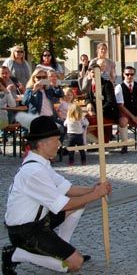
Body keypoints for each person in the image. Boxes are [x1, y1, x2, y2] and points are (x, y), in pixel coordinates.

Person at [2, 115, 112, 274]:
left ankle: (62, 248)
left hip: (39, 222)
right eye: (56, 140)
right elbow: (64, 205)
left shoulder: (41, 164)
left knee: (80, 204)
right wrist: (96, 195)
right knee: (75, 263)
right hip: (24, 232)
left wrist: (92, 189)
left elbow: (66, 188)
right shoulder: (34, 171)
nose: (60, 144)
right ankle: (16, 254)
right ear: (41, 144)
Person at [115, 66, 137, 154]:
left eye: (132, 74)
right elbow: (120, 105)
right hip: (125, 111)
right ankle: (124, 145)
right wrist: (132, 117)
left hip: (136, 111)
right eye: (127, 74)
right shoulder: (119, 87)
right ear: (123, 75)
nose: (129, 76)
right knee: (123, 121)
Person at [84, 64, 118, 144]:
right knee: (81, 126)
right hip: (94, 113)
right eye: (93, 72)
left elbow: (111, 101)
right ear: (89, 73)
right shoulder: (89, 83)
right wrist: (88, 103)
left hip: (106, 113)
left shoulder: (107, 84)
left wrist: (98, 111)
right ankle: (99, 143)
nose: (95, 74)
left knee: (93, 125)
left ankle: (102, 144)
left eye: (97, 72)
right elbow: (87, 97)